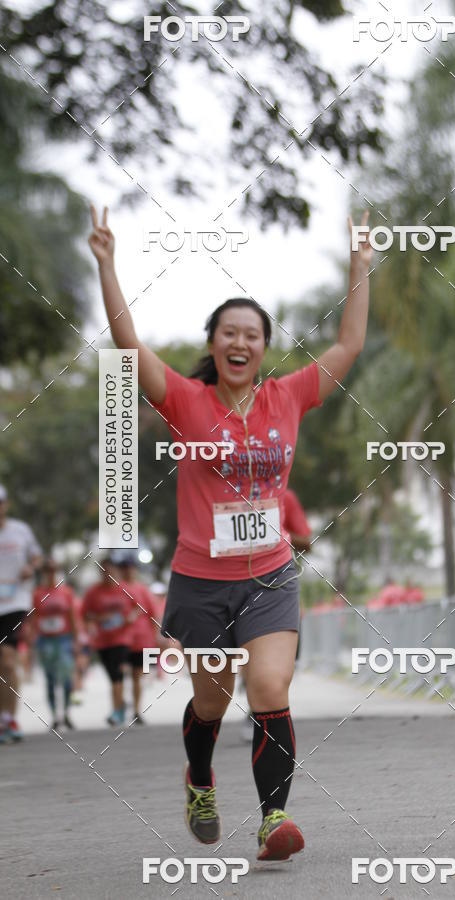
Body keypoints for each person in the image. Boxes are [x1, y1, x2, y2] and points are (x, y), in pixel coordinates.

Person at [88, 203, 371, 860]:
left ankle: (274, 821)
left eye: (253, 334)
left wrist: (360, 266)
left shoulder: (289, 397)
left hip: (269, 575)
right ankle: (200, 777)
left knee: (270, 688)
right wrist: (108, 265)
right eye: (229, 333)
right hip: (200, 580)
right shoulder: (186, 400)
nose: (241, 343)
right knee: (211, 705)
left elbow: (349, 345)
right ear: (214, 343)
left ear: (264, 349)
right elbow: (128, 348)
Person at [239, 488, 312, 742]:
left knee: (269, 663)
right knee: (244, 658)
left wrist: (275, 534)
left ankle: (260, 712)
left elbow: (306, 541)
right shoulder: (221, 490)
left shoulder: (284, 496)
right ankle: (255, 704)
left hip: (272, 586)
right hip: (227, 585)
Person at [0, 483, 43, 743]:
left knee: (7, 659)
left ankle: (11, 718)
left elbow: (37, 557)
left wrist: (31, 567)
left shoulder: (20, 530)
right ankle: (2, 717)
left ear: (6, 504)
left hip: (15, 602)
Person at [81, 557, 137, 725]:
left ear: (116, 571)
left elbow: (138, 608)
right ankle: (120, 705)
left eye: (110, 570)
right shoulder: (93, 592)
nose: (107, 574)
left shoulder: (125, 589)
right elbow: (85, 614)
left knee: (116, 673)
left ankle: (116, 712)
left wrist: (130, 618)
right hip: (103, 640)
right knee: (113, 676)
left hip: (122, 638)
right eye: (103, 571)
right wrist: (98, 618)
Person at [32, 559, 79, 731]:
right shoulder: (37, 593)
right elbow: (33, 618)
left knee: (66, 678)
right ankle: (54, 716)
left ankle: (66, 713)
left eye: (53, 570)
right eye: (47, 570)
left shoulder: (66, 592)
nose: (50, 574)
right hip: (46, 639)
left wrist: (76, 639)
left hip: (63, 638)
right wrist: (32, 641)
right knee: (50, 678)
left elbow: (72, 616)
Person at [115, 554, 161, 725]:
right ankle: (118, 708)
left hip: (140, 639)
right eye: (124, 568)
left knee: (136, 675)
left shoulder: (142, 589)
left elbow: (153, 614)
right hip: (119, 638)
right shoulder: (116, 588)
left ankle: (136, 709)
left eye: (130, 567)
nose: (128, 571)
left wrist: (156, 635)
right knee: (118, 675)